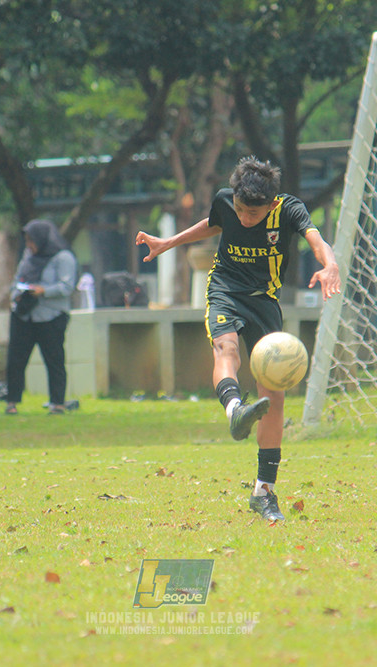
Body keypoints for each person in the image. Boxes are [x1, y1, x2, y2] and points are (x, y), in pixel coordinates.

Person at [135, 156, 341, 522]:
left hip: (264, 300)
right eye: (241, 210)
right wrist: (169, 243)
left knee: (273, 394)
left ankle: (264, 492)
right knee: (225, 347)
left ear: (272, 204)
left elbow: (315, 237)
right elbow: (211, 225)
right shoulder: (224, 201)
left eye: (254, 213)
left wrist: (330, 264)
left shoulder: (288, 209)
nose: (245, 218)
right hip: (226, 290)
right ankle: (235, 412)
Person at [5, 219, 77, 415]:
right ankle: (12, 402)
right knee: (16, 359)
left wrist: (43, 290)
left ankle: (58, 403)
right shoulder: (28, 256)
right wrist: (17, 294)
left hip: (51, 316)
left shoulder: (63, 258)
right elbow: (16, 280)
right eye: (27, 241)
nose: (29, 246)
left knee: (54, 360)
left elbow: (66, 287)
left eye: (32, 241)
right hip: (24, 315)